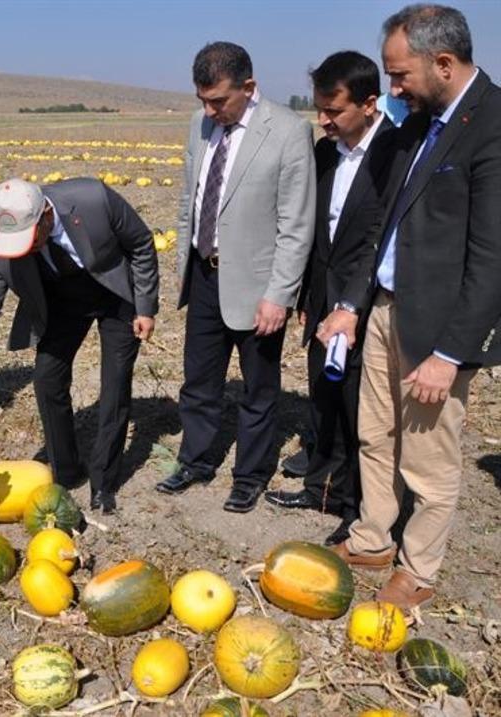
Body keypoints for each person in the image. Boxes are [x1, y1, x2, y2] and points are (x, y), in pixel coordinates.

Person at [333, 4, 501, 611]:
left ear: (445, 63)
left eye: (400, 76)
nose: (392, 88)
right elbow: (386, 221)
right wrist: (353, 303)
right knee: (375, 436)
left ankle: (419, 567)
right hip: (384, 308)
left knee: (428, 460)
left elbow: (492, 259)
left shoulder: (494, 126)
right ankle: (374, 538)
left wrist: (451, 354)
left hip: (437, 329)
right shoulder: (416, 123)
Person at [0, 178, 158, 514]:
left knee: (114, 384)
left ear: (46, 217)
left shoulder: (93, 200)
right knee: (46, 379)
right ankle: (67, 472)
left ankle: (104, 481)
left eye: (28, 239)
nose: (21, 249)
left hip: (115, 294)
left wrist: (145, 307)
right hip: (63, 302)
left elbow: (141, 244)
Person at [157, 42, 316, 512]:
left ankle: (249, 475)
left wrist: (280, 294)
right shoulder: (199, 124)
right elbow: (192, 197)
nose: (210, 110)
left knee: (258, 389)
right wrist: (185, 263)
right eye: (202, 100)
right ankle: (196, 459)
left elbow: (296, 222)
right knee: (199, 381)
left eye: (219, 101)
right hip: (205, 274)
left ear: (249, 87)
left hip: (259, 286)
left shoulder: (287, 132)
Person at [264, 52, 397, 547]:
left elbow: (380, 240)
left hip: (367, 304)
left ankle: (357, 506)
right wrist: (306, 295)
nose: (323, 120)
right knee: (322, 393)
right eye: (319, 109)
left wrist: (354, 305)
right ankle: (322, 486)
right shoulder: (324, 153)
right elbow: (313, 232)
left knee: (359, 409)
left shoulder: (396, 153)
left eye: (333, 111)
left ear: (368, 103)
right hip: (322, 300)